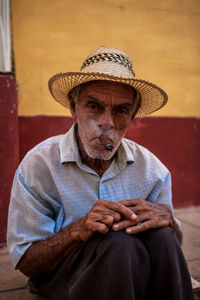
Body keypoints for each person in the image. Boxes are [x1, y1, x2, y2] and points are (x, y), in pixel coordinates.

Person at [7, 46, 194, 300]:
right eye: (94, 106)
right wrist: (77, 230)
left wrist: (169, 220)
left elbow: (169, 251)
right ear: (74, 107)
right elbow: (27, 262)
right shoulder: (39, 165)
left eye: (120, 110)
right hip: (64, 278)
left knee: (161, 236)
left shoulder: (153, 171)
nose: (106, 123)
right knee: (120, 245)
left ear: (133, 116)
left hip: (133, 272)